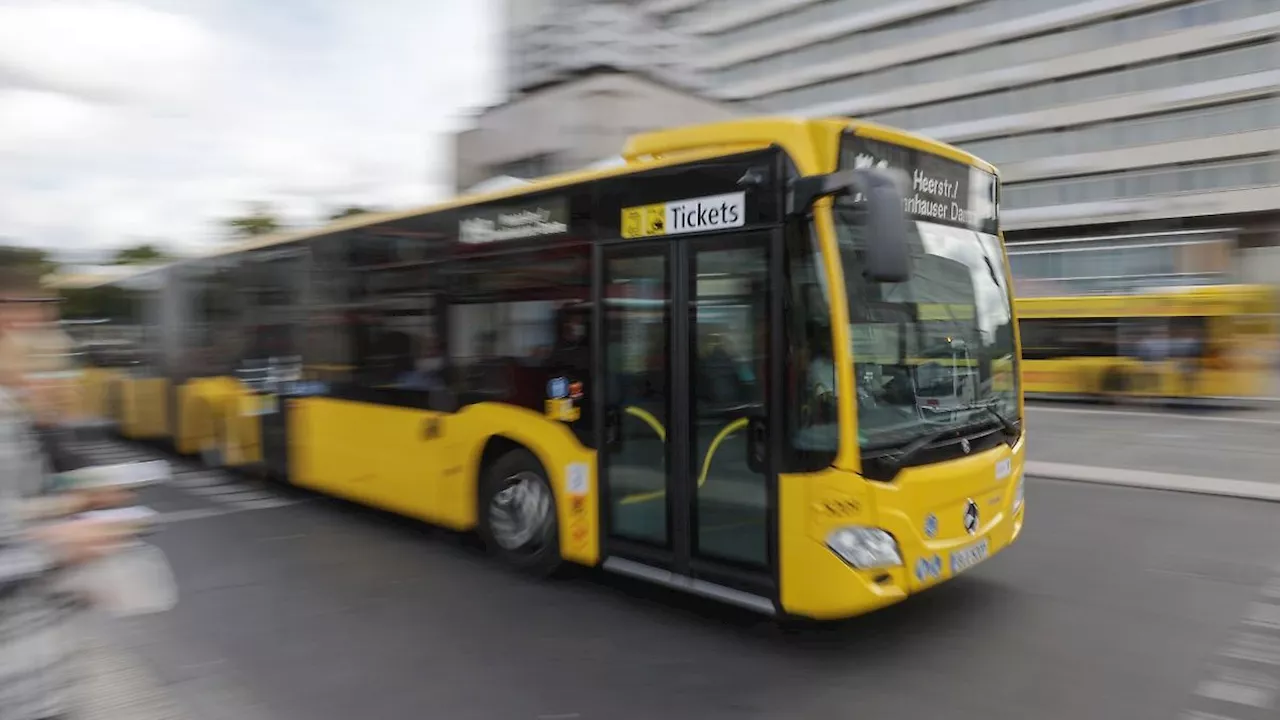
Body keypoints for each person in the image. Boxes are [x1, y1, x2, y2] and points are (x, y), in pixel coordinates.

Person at [1, 265, 132, 720]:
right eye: (37, 329)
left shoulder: (14, 409)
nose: (50, 346)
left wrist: (74, 503)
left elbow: (15, 510)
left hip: (40, 677)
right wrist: (57, 544)